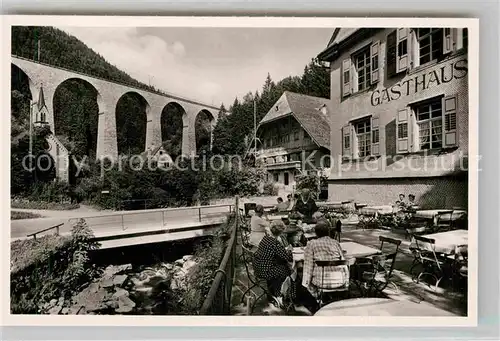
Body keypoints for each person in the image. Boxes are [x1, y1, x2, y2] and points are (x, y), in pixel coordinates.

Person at [301, 220, 349, 300]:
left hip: (321, 282)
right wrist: (346, 280)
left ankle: (317, 300)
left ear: (316, 233)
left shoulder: (311, 244)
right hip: (339, 281)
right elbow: (343, 262)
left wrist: (305, 284)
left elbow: (308, 266)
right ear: (329, 232)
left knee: (307, 278)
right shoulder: (335, 243)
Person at [253, 221, 293, 298]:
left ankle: (273, 290)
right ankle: (281, 292)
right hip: (267, 271)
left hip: (258, 268)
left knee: (283, 265)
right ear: (281, 232)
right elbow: (288, 257)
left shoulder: (266, 238)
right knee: (288, 269)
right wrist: (289, 250)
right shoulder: (275, 242)